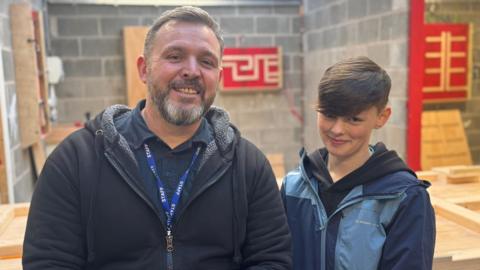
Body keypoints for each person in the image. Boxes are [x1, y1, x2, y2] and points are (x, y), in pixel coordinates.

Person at [23, 6, 291, 270]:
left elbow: (272, 260)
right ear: (143, 69)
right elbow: (49, 262)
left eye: (206, 62)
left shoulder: (248, 167)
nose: (192, 71)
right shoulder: (76, 161)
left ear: (218, 78)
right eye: (175, 56)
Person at [281, 56, 435, 270]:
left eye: (353, 119)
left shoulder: (402, 197)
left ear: (382, 117)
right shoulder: (293, 187)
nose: (337, 129)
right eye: (329, 114)